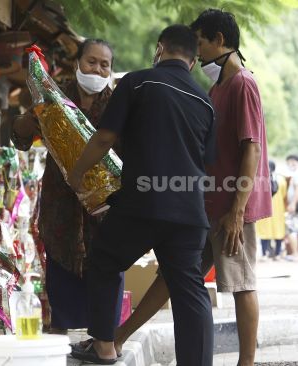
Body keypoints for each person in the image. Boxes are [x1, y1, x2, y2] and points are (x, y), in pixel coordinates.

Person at [110, 10, 273, 366]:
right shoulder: (216, 89)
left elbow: (252, 148)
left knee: (241, 284)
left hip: (232, 207)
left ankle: (246, 362)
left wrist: (236, 212)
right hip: (205, 207)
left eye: (199, 41)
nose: (196, 52)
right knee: (172, 275)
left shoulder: (243, 83)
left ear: (218, 40)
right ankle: (118, 338)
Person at [68, 25, 215, 365]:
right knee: (189, 291)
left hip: (143, 203)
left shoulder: (138, 81)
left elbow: (105, 138)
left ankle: (104, 346)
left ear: (160, 48)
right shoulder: (205, 102)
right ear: (192, 62)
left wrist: (77, 172)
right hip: (189, 212)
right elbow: (206, 161)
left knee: (105, 261)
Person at [11, 39, 124, 334]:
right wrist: (27, 122)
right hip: (59, 204)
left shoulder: (119, 102)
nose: (97, 70)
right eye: (91, 62)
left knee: (105, 272)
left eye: (104, 65)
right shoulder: (53, 94)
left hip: (104, 209)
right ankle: (64, 342)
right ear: (77, 63)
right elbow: (22, 138)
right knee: (61, 272)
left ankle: (103, 341)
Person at [256, 161, 287, 260]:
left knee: (265, 231)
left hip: (264, 208)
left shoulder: (261, 178)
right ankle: (277, 254)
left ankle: (264, 254)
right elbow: (284, 196)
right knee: (279, 231)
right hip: (278, 210)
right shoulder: (282, 179)